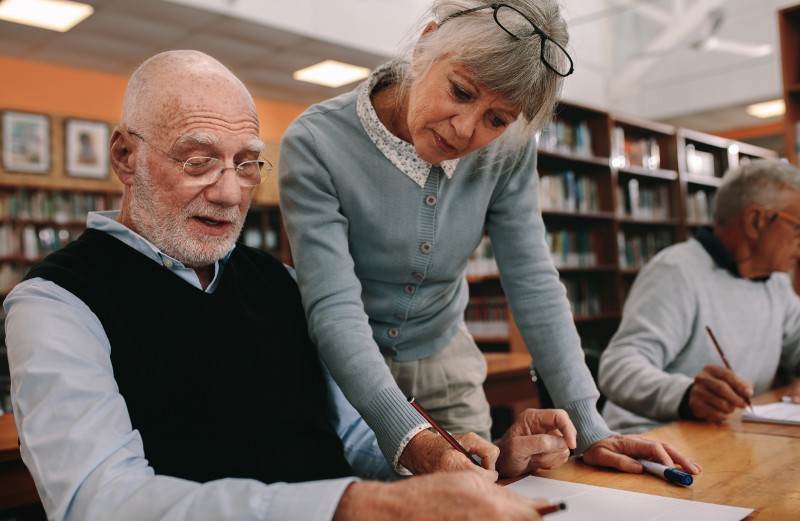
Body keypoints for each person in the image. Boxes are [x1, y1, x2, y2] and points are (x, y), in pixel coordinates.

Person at [5, 49, 580, 521]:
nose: (231, 194)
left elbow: (358, 437)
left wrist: (471, 464)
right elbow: (99, 501)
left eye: (248, 163)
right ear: (125, 157)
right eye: (199, 160)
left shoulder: (278, 281)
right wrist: (354, 505)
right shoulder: (56, 303)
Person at [279, 0, 698, 478]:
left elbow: (533, 279)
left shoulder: (508, 151)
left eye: (497, 119)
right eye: (460, 92)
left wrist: (589, 423)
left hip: (444, 358)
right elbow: (333, 306)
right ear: (424, 46)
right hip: (335, 369)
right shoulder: (316, 142)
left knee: (482, 491)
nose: (464, 130)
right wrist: (408, 435)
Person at [598, 159, 800, 434]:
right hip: (653, 438)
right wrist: (686, 395)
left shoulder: (775, 282)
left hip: (726, 436)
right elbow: (617, 369)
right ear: (756, 221)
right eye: (798, 228)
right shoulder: (676, 272)